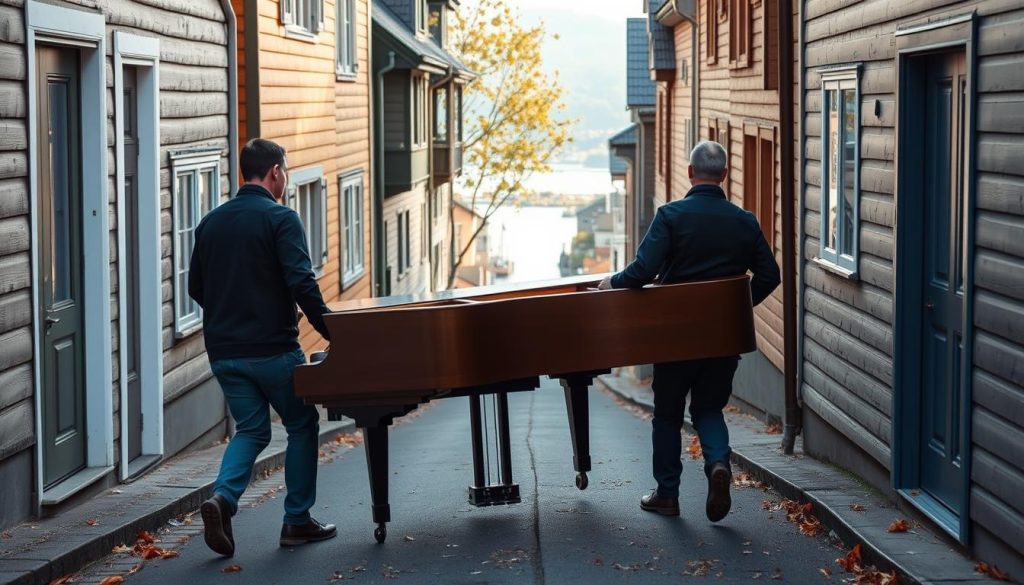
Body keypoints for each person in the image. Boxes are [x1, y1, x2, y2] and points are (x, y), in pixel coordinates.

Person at [598, 140, 781, 522]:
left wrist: (611, 283)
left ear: (690, 173)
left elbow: (642, 271)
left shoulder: (671, 215)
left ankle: (667, 494)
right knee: (709, 408)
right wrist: (736, 306)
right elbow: (770, 275)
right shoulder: (744, 221)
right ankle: (718, 463)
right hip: (722, 337)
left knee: (666, 414)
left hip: (676, 336)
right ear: (725, 175)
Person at [188, 138, 337, 556]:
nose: (286, 179)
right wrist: (333, 331)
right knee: (301, 425)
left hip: (224, 353)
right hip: (272, 349)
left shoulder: (210, 224)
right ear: (275, 172)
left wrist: (229, 315)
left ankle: (223, 499)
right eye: (285, 172)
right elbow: (301, 281)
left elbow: (195, 286)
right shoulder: (281, 219)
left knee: (251, 429)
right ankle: (297, 520)